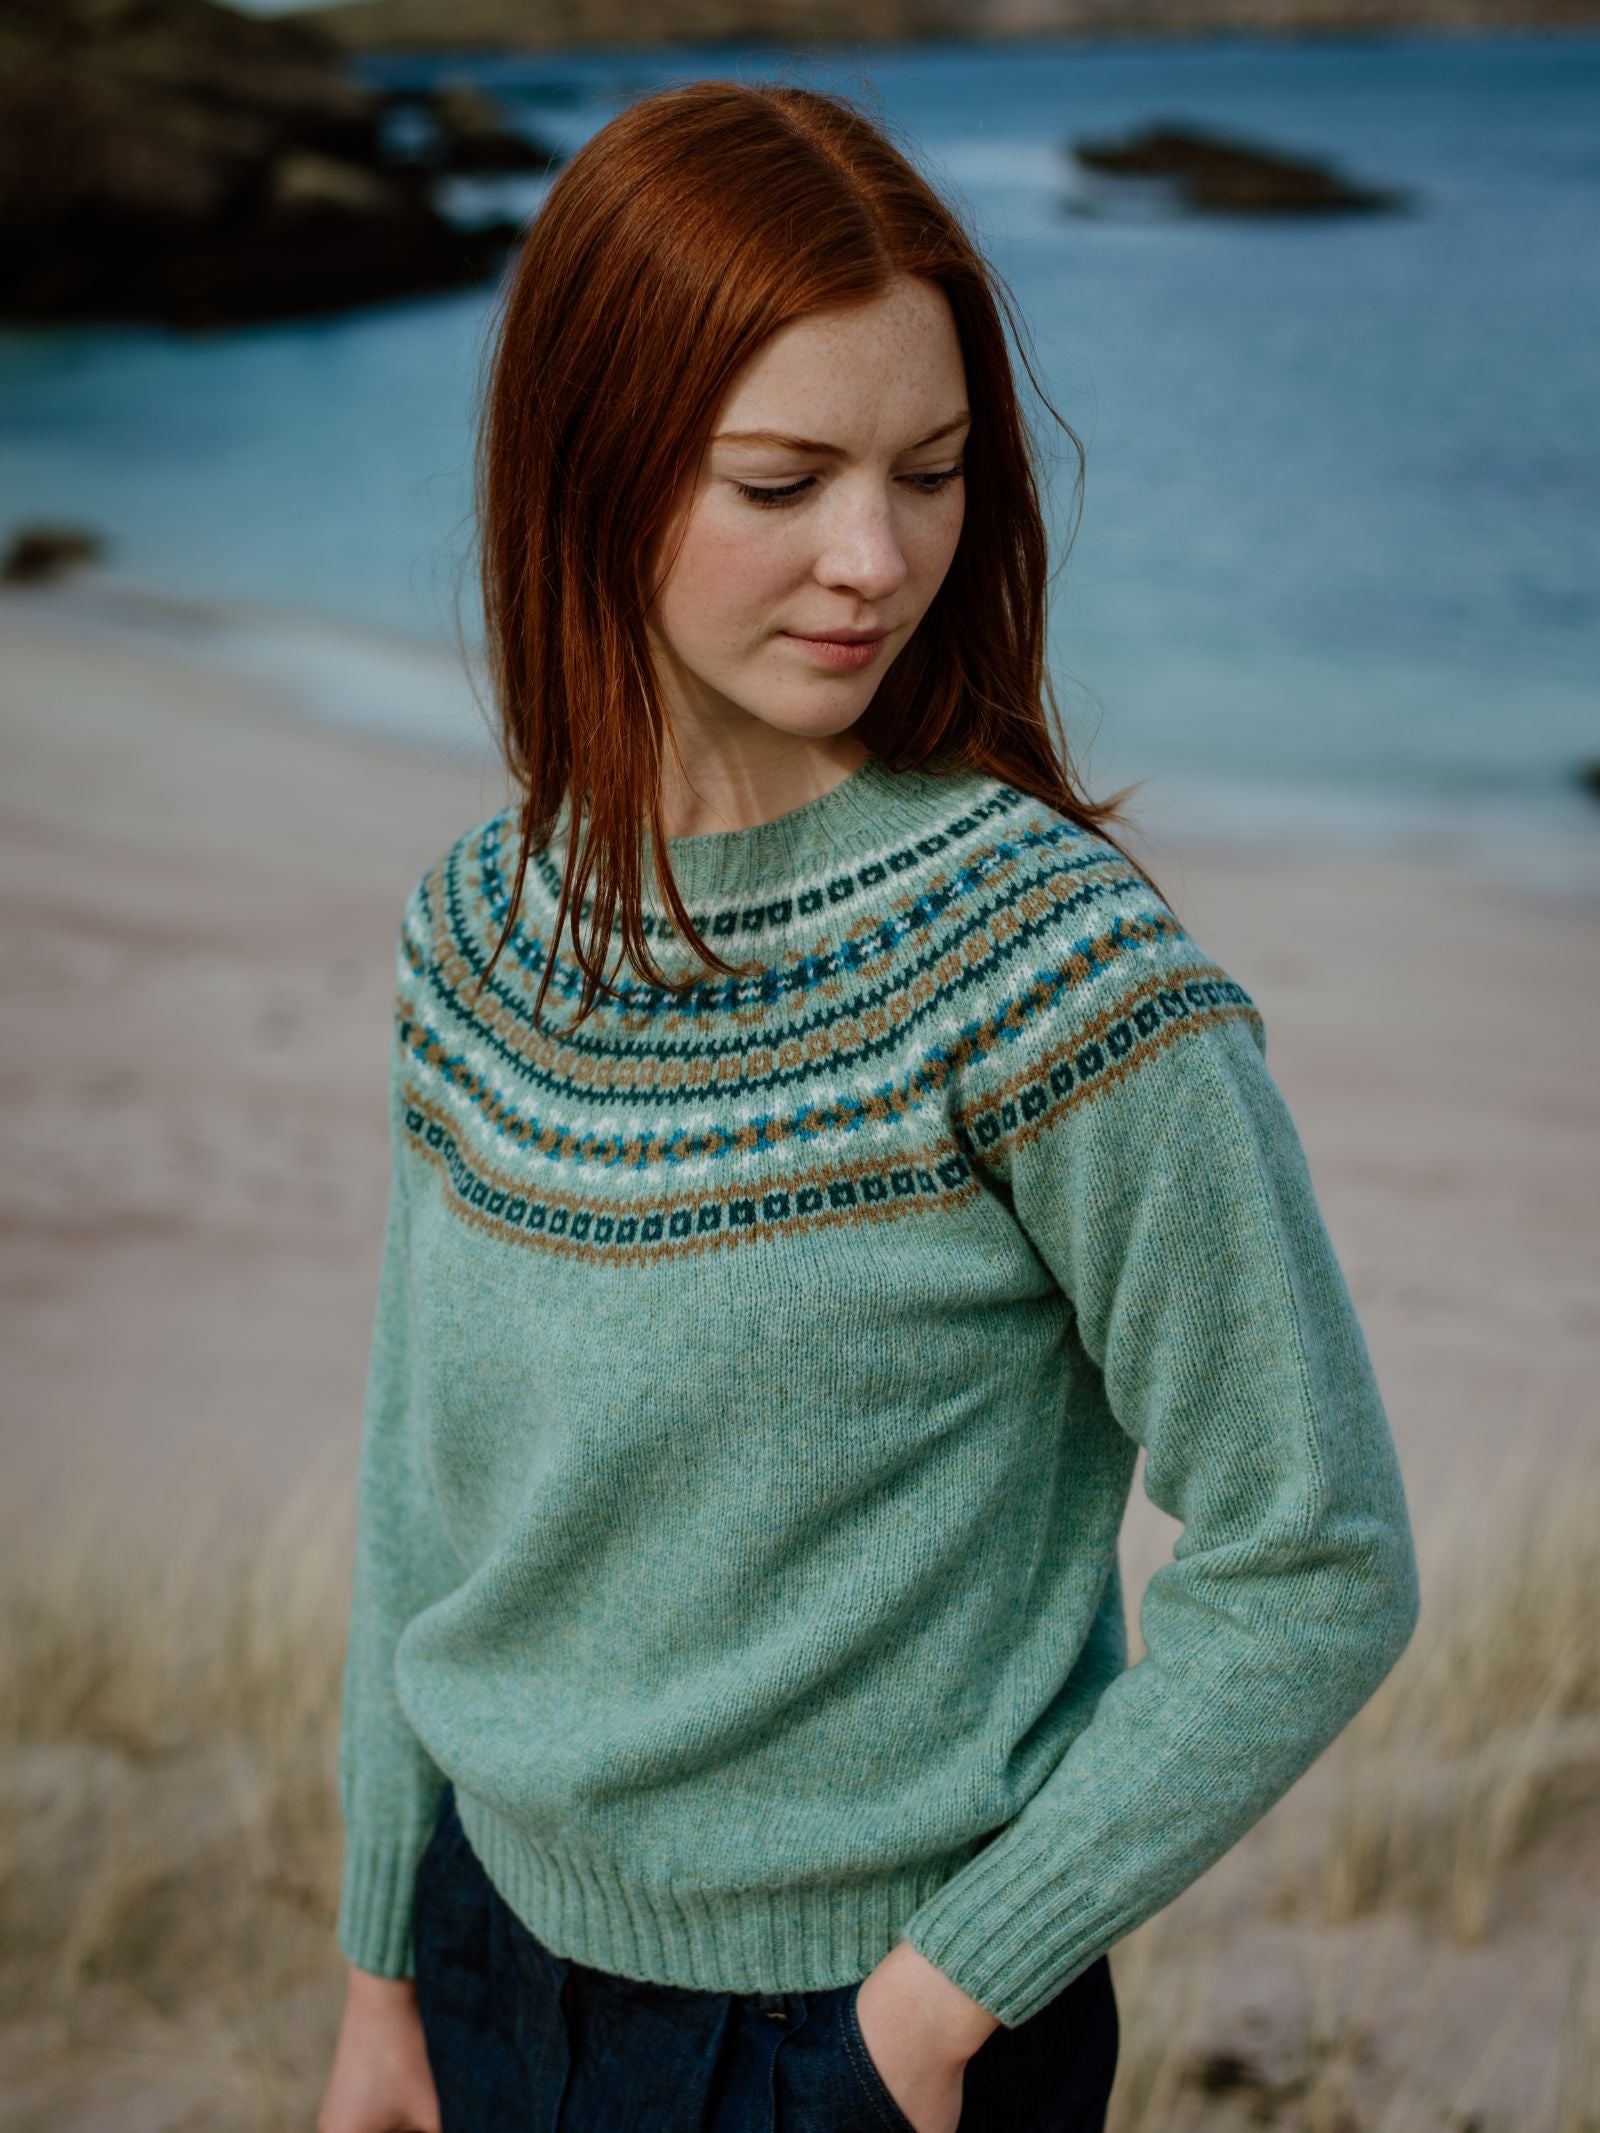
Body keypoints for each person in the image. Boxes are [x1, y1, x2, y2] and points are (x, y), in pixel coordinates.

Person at [315, 76, 1420, 2133]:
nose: (874, 558)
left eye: (930, 471)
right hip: (485, 1957)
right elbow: (419, 1483)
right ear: (589, 464)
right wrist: (384, 1958)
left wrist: (938, 1994)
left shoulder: (1049, 966)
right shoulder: (474, 928)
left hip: (857, 2041)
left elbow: (1317, 1547)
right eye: (781, 479)